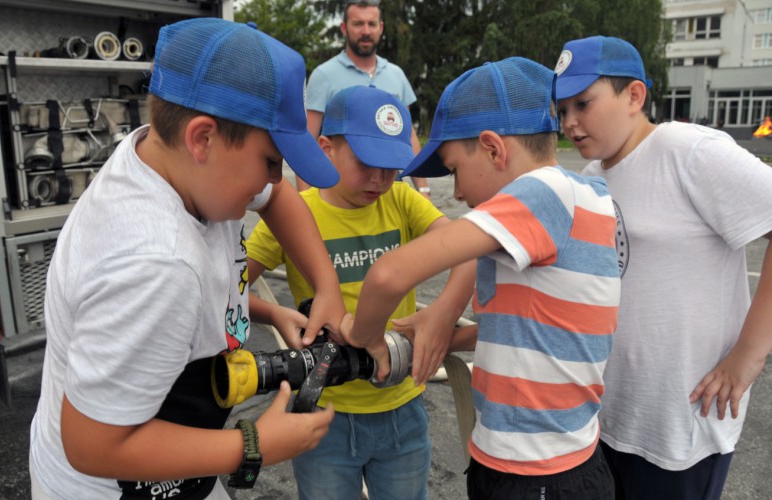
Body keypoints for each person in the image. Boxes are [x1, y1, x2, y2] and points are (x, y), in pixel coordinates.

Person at [28, 18, 346, 499]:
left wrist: (324, 285)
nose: (275, 178)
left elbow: (278, 198)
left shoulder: (167, 156)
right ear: (202, 138)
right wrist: (253, 444)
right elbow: (92, 444)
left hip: (173, 449)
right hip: (110, 484)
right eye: (271, 160)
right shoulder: (156, 265)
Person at [343, 57, 621, 499]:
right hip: (560, 460)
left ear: (493, 149)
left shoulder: (541, 194)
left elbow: (387, 276)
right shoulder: (589, 194)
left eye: (454, 169)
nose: (456, 193)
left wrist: (365, 338)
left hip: (533, 474)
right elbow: (537, 329)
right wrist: (444, 335)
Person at [554, 35, 772, 500]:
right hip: (613, 414)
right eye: (562, 109)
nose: (569, 122)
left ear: (634, 96)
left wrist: (748, 356)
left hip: (683, 421)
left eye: (583, 104)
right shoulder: (591, 178)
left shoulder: (687, 150)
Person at [246, 85, 476, 500]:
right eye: (367, 163)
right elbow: (228, 286)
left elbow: (468, 248)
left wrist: (444, 312)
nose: (380, 179)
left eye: (391, 167)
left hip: (401, 404)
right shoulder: (295, 214)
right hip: (323, 411)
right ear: (326, 148)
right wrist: (273, 313)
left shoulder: (402, 200)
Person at [300, 0, 431, 199]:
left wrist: (423, 190)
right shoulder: (324, 75)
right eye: (358, 24)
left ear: (381, 27)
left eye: (372, 24)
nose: (366, 31)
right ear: (344, 28)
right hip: (342, 192)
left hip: (390, 187)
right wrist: (304, 199)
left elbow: (409, 136)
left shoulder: (396, 75)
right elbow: (307, 140)